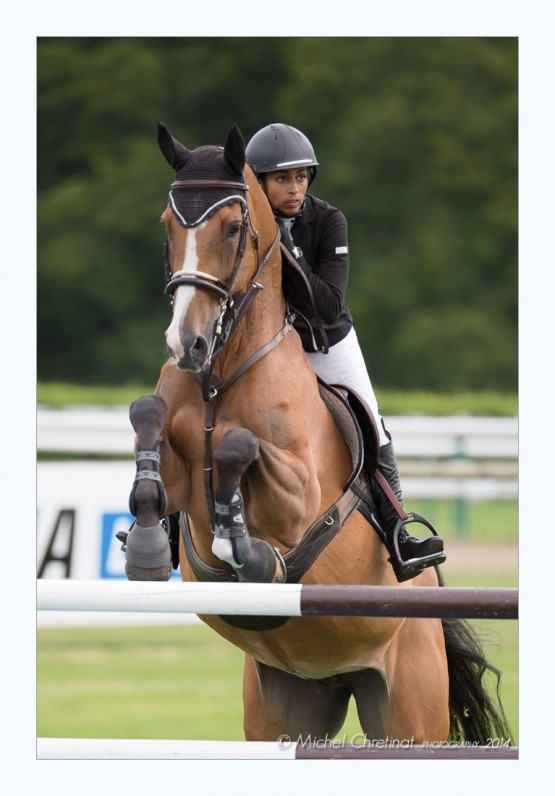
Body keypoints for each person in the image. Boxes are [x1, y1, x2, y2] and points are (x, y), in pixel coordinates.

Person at [245, 123, 445, 580]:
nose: (295, 189)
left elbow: (328, 304)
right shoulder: (245, 224)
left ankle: (399, 533)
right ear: (258, 182)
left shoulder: (329, 220)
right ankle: (167, 526)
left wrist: (284, 244)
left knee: (372, 426)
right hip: (267, 353)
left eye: (301, 177)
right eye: (282, 179)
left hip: (326, 344)